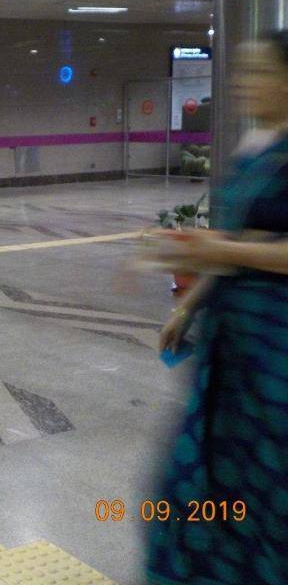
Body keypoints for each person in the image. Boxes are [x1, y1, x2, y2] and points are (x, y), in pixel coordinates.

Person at [147, 32, 288, 584]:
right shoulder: (256, 142)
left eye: (257, 71)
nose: (241, 83)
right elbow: (240, 236)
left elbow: (235, 246)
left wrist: (219, 251)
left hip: (278, 349)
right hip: (236, 346)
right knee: (202, 478)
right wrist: (189, 305)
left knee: (267, 482)